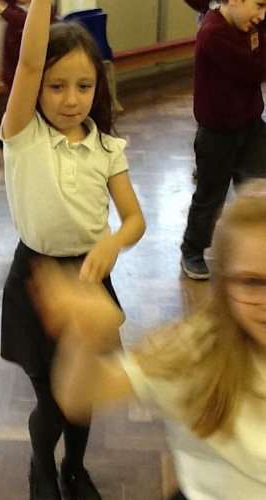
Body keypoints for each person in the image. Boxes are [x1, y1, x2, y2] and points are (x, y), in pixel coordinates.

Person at [29, 178, 266, 500]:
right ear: (224, 285)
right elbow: (81, 396)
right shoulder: (197, 352)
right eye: (253, 282)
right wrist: (85, 338)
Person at [0, 0, 146, 498]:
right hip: (37, 281)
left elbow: (134, 219)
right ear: (37, 88)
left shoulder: (106, 149)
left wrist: (113, 243)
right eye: (56, 86)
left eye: (84, 86)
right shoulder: (22, 135)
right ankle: (41, 466)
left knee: (82, 399)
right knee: (52, 401)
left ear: (98, 88)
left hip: (88, 281)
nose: (71, 99)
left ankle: (74, 469)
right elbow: (28, 62)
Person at [180, 0, 266, 280]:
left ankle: (256, 246)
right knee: (210, 198)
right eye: (259, 5)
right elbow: (254, 70)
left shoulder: (251, 25)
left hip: (251, 125)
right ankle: (192, 249)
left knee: (258, 188)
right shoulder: (214, 32)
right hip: (217, 135)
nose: (262, 15)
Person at [0, 0, 58, 148]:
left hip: (41, 77)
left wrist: (3, 10)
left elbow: (30, 23)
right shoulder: (14, 11)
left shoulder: (44, 9)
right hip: (14, 78)